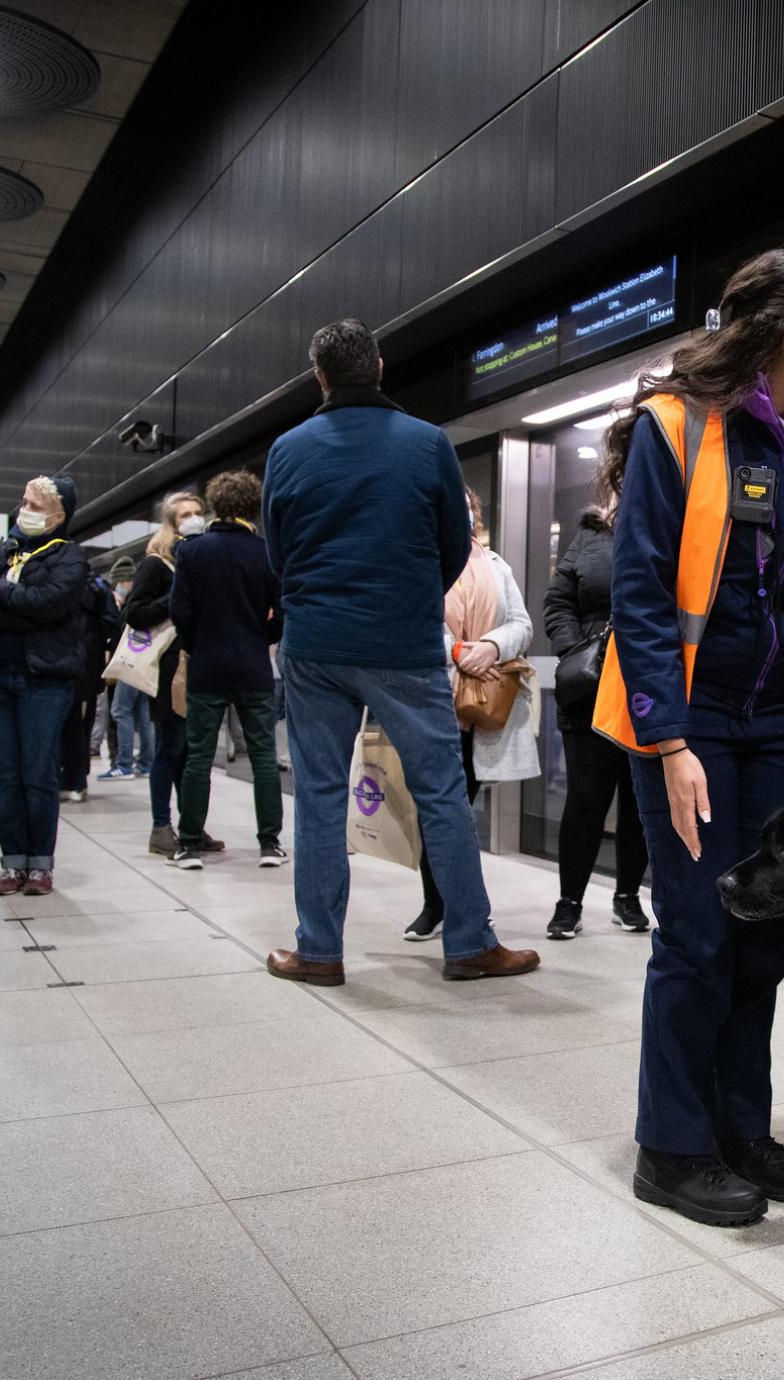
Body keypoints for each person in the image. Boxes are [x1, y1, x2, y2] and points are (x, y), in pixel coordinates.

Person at [599, 246, 784, 1228]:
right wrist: (666, 741)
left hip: (775, 725)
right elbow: (637, 592)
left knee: (761, 936)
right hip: (685, 722)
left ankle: (739, 1128)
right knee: (695, 933)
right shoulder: (675, 427)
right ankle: (672, 1147)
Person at [262, 318, 538, 985]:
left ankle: (320, 951)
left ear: (320, 377)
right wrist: (410, 598)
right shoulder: (426, 444)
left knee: (321, 795)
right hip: (405, 645)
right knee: (441, 792)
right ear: (380, 368)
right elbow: (454, 544)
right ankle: (469, 942)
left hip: (316, 644)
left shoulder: (289, 449)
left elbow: (277, 550)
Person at [401, 488, 536, 937]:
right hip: (433, 699)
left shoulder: (496, 566)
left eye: (468, 508)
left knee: (460, 806)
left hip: (483, 700)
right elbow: (412, 622)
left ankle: (460, 905)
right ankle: (438, 903)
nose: (461, 515)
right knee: (437, 805)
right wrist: (457, 649)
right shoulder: (420, 563)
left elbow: (522, 624)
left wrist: (491, 646)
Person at [0, 476, 90, 897]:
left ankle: (40, 866)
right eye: (23, 500)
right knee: (5, 775)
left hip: (43, 679)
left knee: (40, 773)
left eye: (34, 504)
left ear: (58, 514)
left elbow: (51, 603)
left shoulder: (70, 557)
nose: (23, 509)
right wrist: (20, 608)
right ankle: (12, 863)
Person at [167, 468, 285, 868]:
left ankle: (188, 845)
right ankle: (269, 844)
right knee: (263, 756)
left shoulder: (192, 551)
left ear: (215, 504)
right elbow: (283, 612)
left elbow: (179, 611)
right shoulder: (266, 553)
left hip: (208, 665)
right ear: (253, 505)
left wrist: (197, 643)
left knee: (199, 756)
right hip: (253, 666)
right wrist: (260, 635)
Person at [542, 497, 649, 939]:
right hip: (591, 687)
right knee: (585, 798)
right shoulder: (588, 535)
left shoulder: (662, 521)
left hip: (647, 683)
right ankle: (570, 902)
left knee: (640, 803)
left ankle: (627, 896)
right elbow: (557, 603)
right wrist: (574, 649)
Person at [125, 491, 223, 856]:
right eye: (185, 514)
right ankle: (160, 826)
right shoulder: (157, 565)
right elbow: (135, 613)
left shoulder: (204, 560)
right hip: (170, 669)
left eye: (198, 513)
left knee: (191, 752)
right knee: (171, 747)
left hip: (201, 664)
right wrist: (178, 595)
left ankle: (191, 825)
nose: (193, 519)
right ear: (171, 523)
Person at [58, 564, 121, 803]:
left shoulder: (59, 581)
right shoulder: (96, 585)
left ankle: (66, 778)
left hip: (62, 665)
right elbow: (112, 623)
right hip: (87, 666)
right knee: (80, 724)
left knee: (62, 724)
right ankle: (76, 780)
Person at [101, 556, 154, 780]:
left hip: (130, 661)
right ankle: (146, 763)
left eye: (120, 583)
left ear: (127, 581)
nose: (118, 588)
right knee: (142, 713)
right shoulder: (145, 599)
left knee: (120, 710)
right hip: (143, 662)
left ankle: (123, 764)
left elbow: (122, 632)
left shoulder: (133, 603)